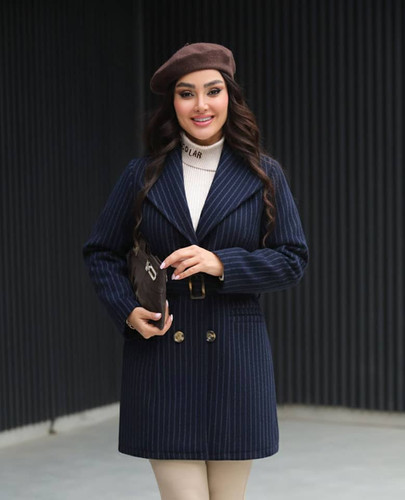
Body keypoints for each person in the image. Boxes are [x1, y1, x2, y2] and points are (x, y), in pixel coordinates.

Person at [83, 42, 308, 500]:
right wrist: (127, 311)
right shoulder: (142, 174)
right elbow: (101, 251)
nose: (201, 105)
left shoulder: (263, 174)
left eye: (212, 91)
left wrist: (222, 263)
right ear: (173, 103)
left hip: (236, 358)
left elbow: (292, 258)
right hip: (163, 358)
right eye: (187, 93)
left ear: (230, 97)